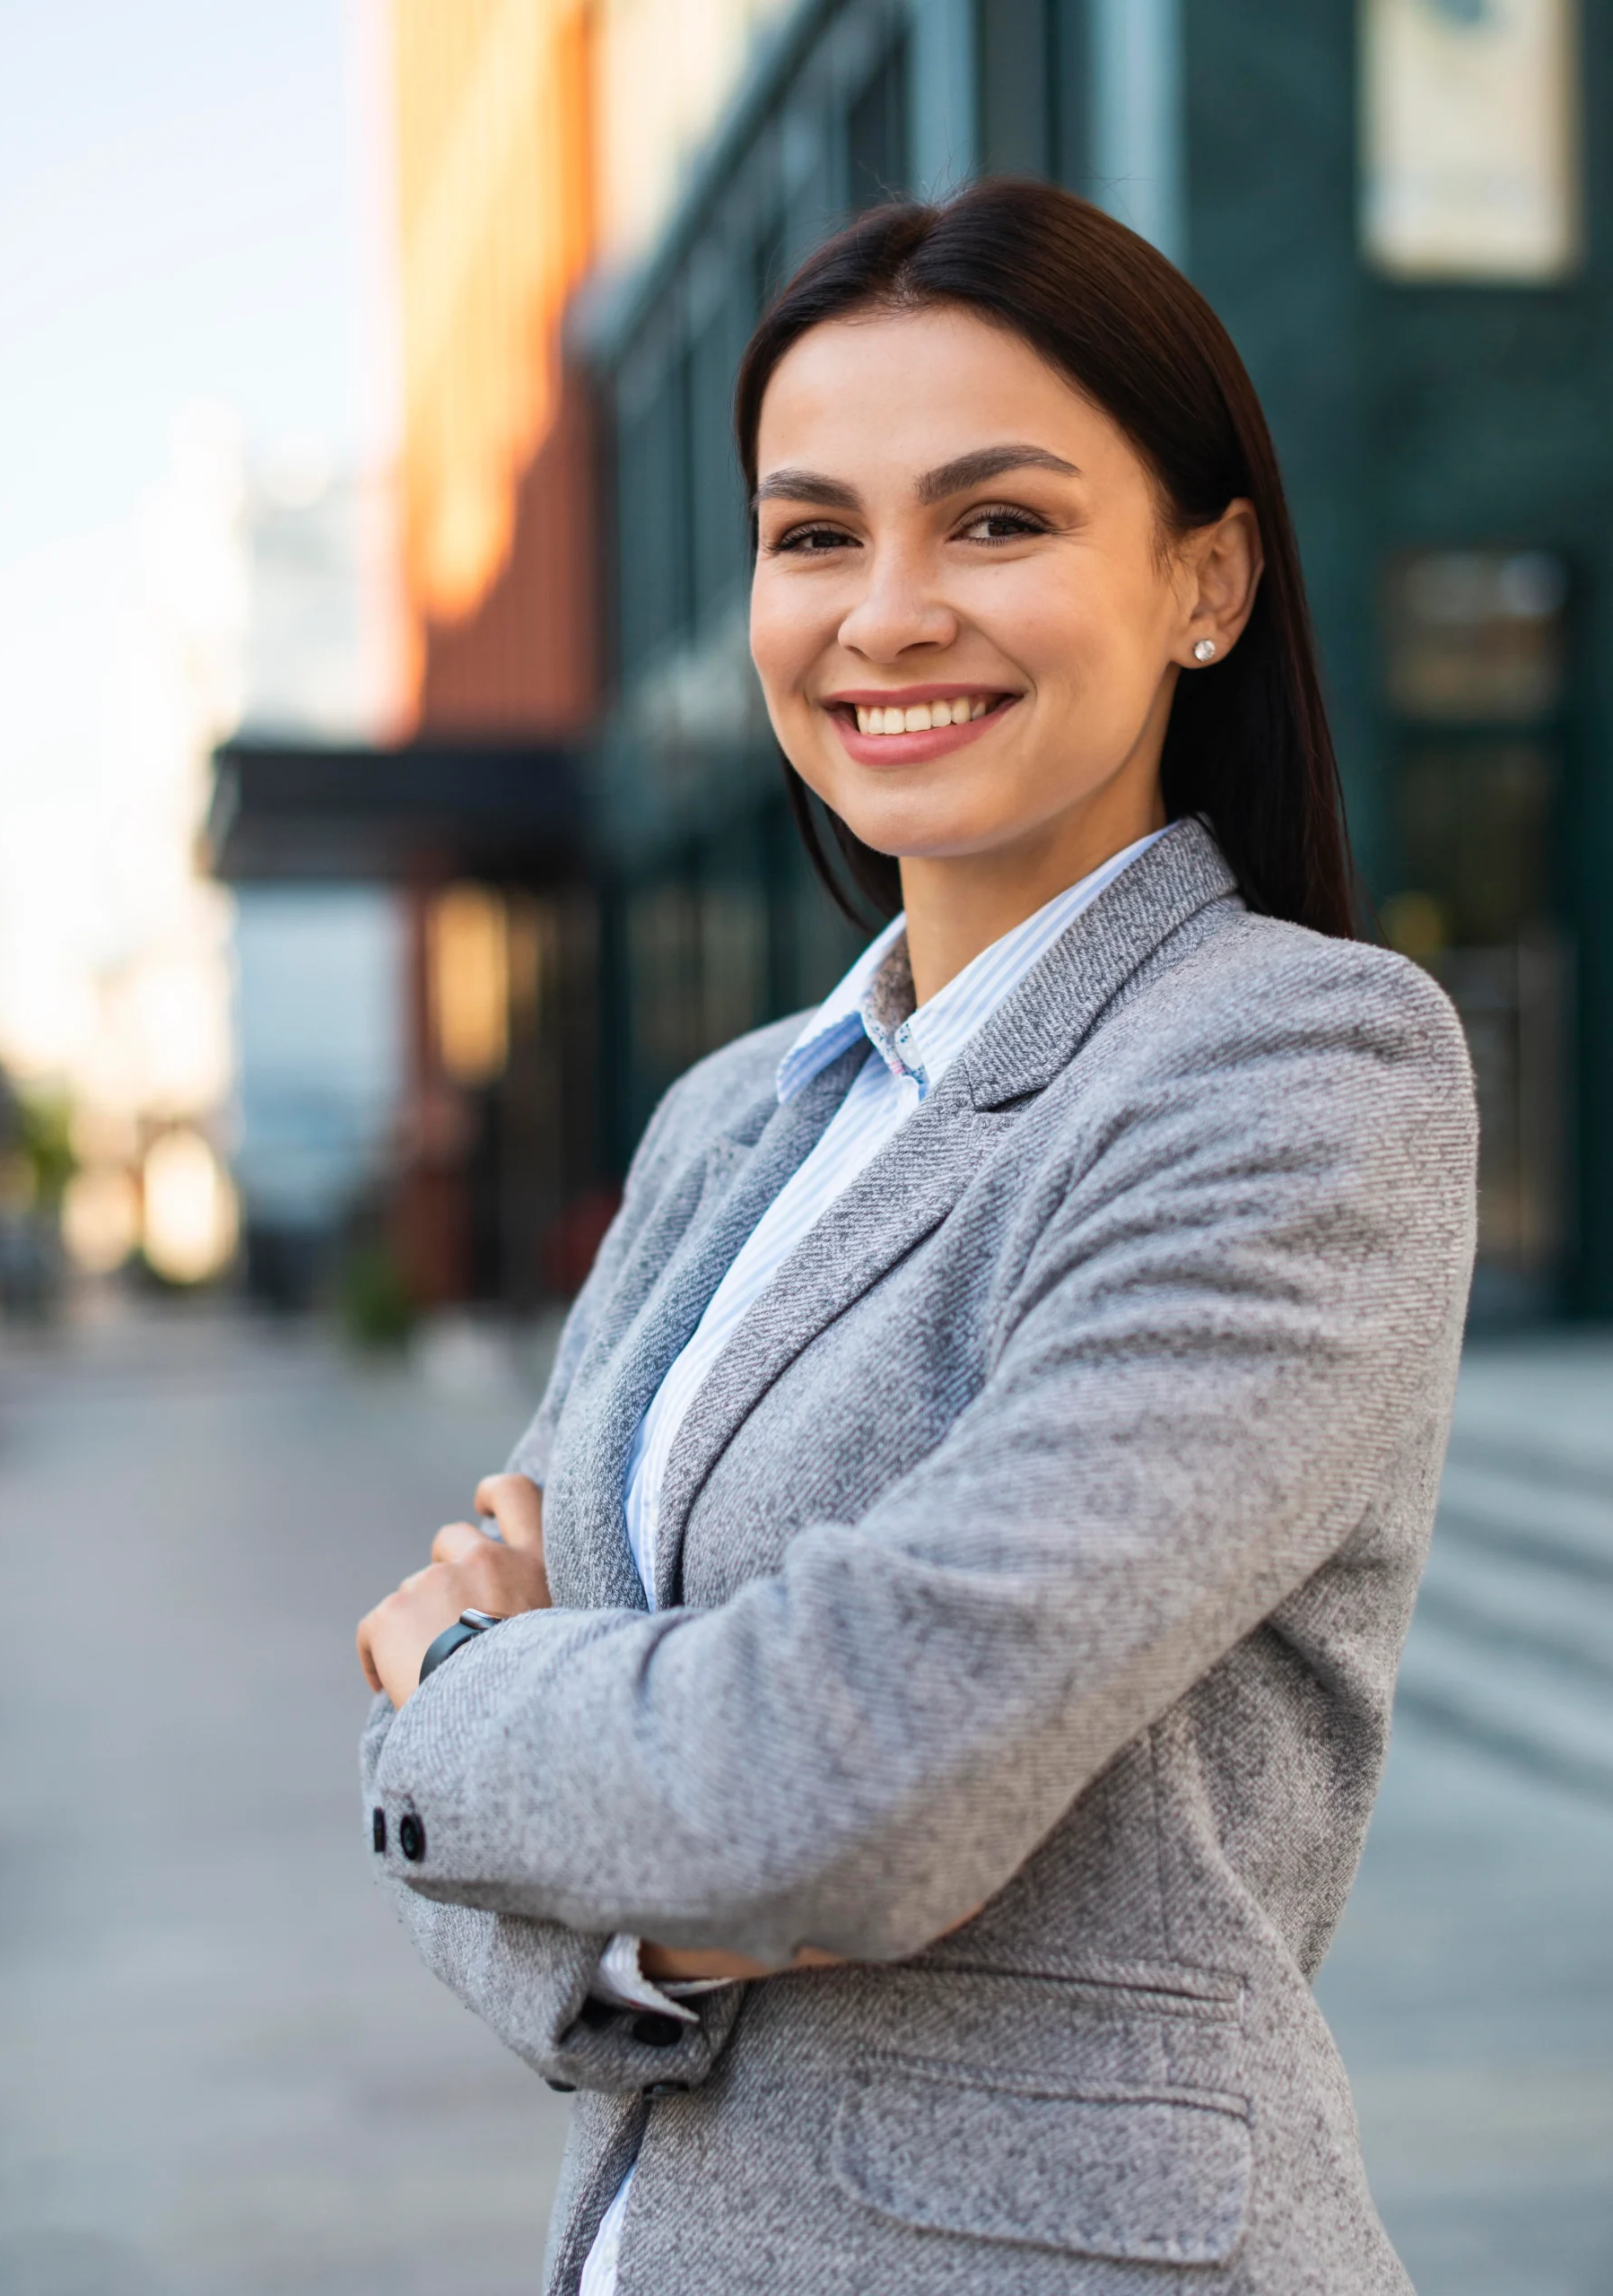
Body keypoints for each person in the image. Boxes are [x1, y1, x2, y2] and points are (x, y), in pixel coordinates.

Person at [357, 180, 1476, 2295]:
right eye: (810, 532)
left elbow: (857, 1766)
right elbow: (518, 1826)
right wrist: (643, 1869)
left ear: (1206, 580)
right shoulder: (723, 1118)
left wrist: (477, 1701)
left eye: (996, 521)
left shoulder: (1293, 1065)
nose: (883, 612)